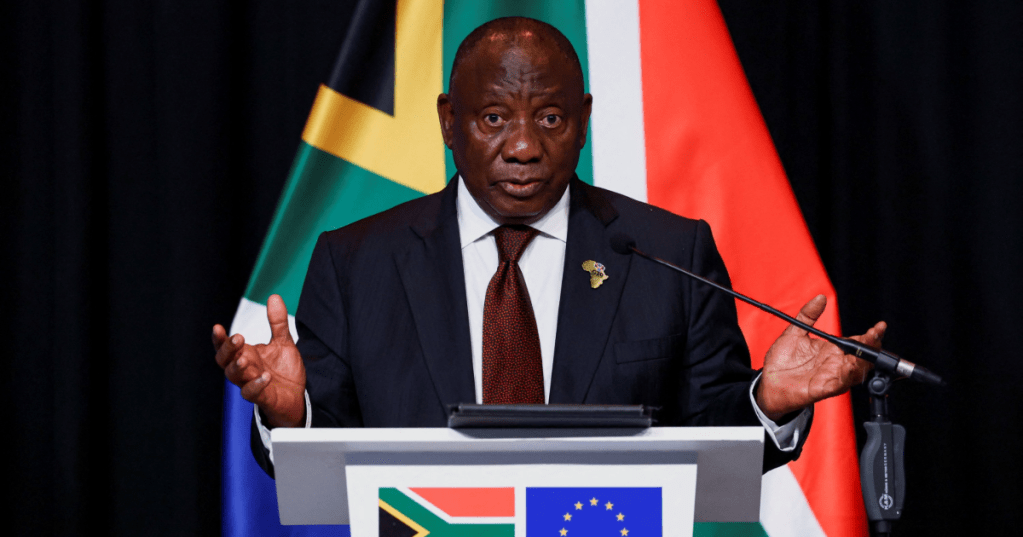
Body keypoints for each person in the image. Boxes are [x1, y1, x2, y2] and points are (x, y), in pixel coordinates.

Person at [213, 17, 883, 476]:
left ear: (584, 121)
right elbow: (321, 455)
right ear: (450, 121)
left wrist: (769, 399)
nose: (525, 145)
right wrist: (290, 415)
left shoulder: (665, 253)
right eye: (494, 118)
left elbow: (713, 440)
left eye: (552, 118)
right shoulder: (357, 262)